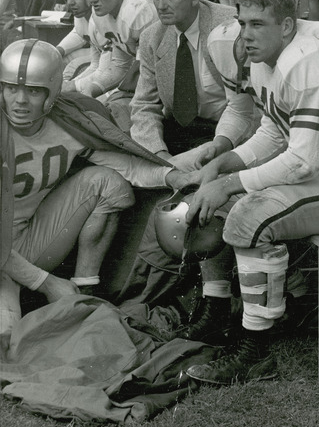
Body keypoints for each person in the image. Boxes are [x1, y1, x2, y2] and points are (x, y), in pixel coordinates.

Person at [178, 0, 319, 385]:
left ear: (288, 26)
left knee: (248, 216)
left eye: (258, 24)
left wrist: (230, 184)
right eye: (242, 23)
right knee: (230, 202)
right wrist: (227, 162)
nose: (246, 34)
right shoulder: (266, 57)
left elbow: (302, 161)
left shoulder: (307, 58)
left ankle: (255, 350)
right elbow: (275, 133)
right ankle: (217, 312)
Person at [0, 39, 192, 338]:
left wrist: (172, 177)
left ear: (51, 92)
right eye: (12, 87)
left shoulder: (65, 122)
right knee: (7, 341)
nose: (20, 100)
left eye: (33, 90)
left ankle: (85, 293)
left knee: (108, 182)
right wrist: (48, 283)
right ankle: (48, 292)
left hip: (24, 243)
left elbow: (128, 166)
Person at [128, 0, 243, 165]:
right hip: (179, 130)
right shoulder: (152, 38)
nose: (161, 5)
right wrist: (158, 153)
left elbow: (252, 107)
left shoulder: (230, 27)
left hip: (225, 132)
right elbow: (144, 104)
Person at [62, 0, 157, 99]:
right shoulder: (102, 14)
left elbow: (144, 72)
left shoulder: (138, 11)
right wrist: (92, 90)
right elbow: (120, 65)